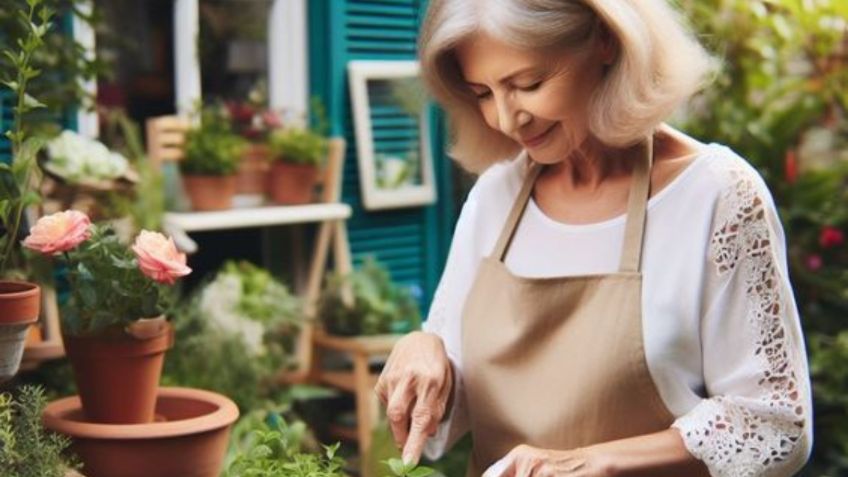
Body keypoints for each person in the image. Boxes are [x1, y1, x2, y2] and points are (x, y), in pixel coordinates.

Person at [374, 1, 814, 476]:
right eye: (482, 92)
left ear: (607, 41)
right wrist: (425, 348)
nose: (505, 118)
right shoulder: (495, 196)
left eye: (528, 85)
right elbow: (451, 389)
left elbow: (776, 424)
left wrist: (599, 461)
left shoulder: (716, 195)